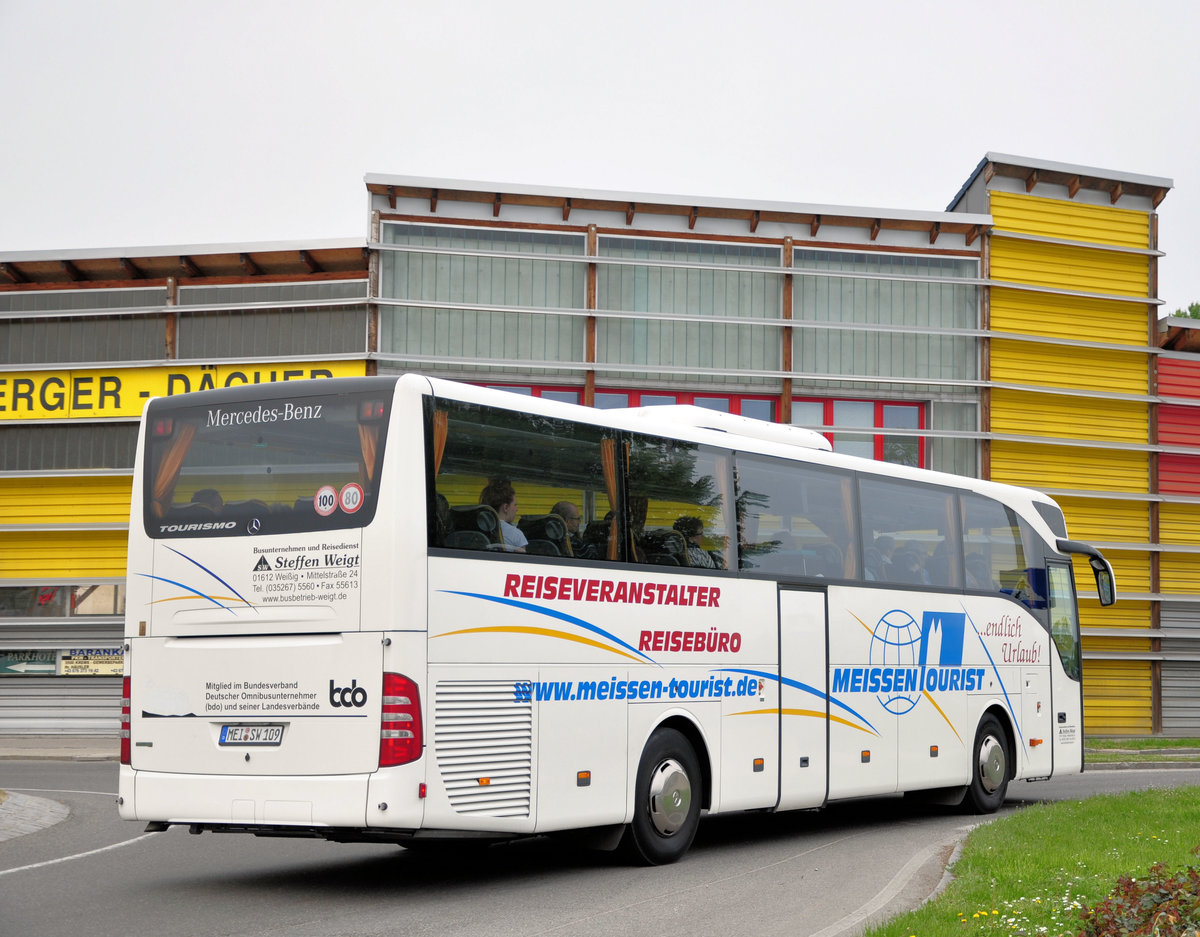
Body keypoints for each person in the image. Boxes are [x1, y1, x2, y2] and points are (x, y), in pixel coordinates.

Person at [479, 479, 527, 552]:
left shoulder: (478, 529)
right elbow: (523, 561)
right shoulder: (516, 534)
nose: (517, 509)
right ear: (506, 507)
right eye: (515, 505)